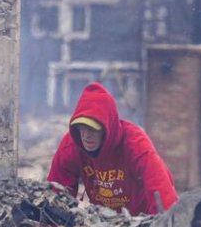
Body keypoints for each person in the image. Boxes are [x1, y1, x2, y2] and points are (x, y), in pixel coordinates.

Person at [47, 82, 178, 216]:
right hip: (104, 219)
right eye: (81, 128)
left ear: (106, 128)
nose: (86, 136)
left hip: (141, 219)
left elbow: (161, 188)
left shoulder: (135, 144)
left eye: (92, 129)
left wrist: (165, 225)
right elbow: (56, 193)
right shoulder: (72, 145)